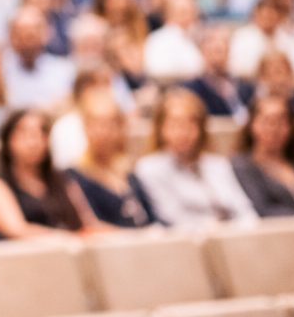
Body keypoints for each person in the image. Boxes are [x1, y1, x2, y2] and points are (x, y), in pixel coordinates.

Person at [133, 89, 257, 226]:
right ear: (161, 129)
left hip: (235, 237)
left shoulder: (218, 164)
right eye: (175, 124)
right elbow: (174, 219)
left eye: (191, 124)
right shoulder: (151, 168)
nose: (183, 132)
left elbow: (244, 209)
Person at [0, 109, 96, 234]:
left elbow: (89, 223)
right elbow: (17, 230)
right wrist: (68, 239)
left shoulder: (64, 179)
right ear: (8, 140)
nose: (34, 142)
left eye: (41, 133)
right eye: (25, 134)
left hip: (74, 249)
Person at [67, 88, 156, 227]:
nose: (105, 132)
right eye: (98, 124)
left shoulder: (129, 173)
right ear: (86, 127)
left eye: (112, 124)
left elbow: (151, 217)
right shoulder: (73, 175)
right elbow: (91, 226)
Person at [2, 6, 76, 111]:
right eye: (21, 34)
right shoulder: (0, 70)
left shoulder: (63, 70)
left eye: (32, 35)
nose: (27, 42)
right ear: (11, 37)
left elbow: (66, 103)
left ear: (45, 35)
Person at [181, 26, 254, 122]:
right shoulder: (190, 89)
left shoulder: (246, 87)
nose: (219, 45)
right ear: (202, 49)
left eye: (224, 43)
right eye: (211, 42)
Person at [143, 0, 204, 80]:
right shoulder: (158, 40)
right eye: (185, 10)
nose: (195, 12)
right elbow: (157, 72)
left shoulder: (194, 38)